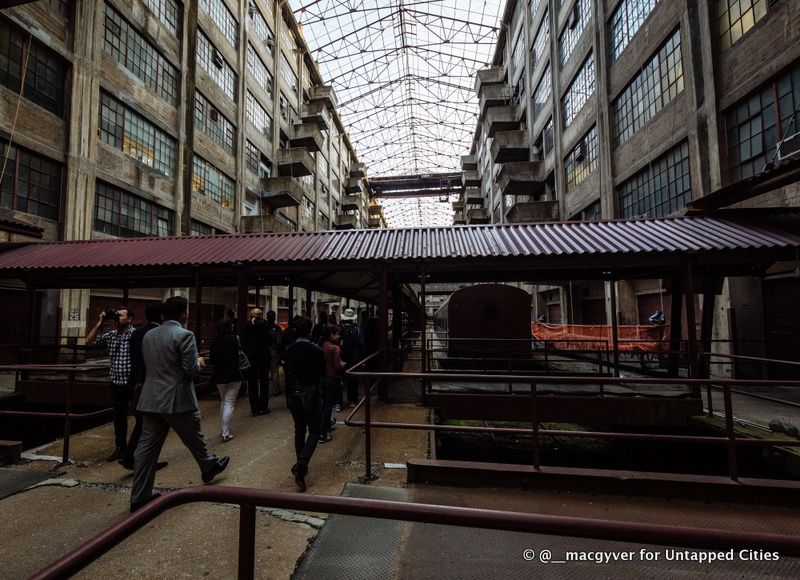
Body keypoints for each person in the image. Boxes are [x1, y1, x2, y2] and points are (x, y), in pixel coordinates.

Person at [130, 296, 229, 512]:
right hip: (176, 398)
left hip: (151, 398)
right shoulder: (184, 335)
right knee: (193, 434)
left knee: (146, 448)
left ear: (164, 314)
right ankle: (208, 465)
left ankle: (139, 496)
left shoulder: (149, 335)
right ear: (184, 314)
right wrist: (199, 362)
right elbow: (190, 370)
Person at [119, 302, 166, 471]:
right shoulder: (157, 334)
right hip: (150, 382)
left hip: (134, 382)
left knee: (142, 422)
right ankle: (137, 459)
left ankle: (130, 456)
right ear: (161, 316)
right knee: (150, 425)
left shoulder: (136, 333)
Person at [85, 305, 135, 462]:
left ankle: (136, 450)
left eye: (121, 315)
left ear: (130, 319)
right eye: (117, 315)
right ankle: (120, 447)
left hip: (132, 382)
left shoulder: (136, 335)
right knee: (119, 417)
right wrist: (100, 323)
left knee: (141, 417)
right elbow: (88, 342)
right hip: (116, 382)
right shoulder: (112, 335)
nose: (117, 317)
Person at [282, 317, 325, 492]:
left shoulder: (288, 350)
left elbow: (287, 373)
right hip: (311, 393)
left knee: (299, 429)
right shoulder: (317, 351)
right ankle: (301, 464)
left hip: (294, 393)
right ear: (309, 330)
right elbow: (321, 372)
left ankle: (301, 466)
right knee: (315, 430)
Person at [210, 316, 242, 442]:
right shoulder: (234, 340)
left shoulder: (214, 342)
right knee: (229, 403)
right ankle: (225, 431)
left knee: (224, 401)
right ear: (230, 327)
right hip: (233, 374)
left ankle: (224, 428)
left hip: (219, 375)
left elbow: (212, 360)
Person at [240, 308, 272, 416]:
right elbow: (269, 340)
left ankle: (254, 409)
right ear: (261, 315)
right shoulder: (265, 326)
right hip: (263, 357)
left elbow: (242, 342)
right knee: (264, 383)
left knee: (252, 383)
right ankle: (263, 407)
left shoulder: (246, 327)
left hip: (251, 358)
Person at [319, 324, 344, 443]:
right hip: (332, 378)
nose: (339, 336)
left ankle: (323, 426)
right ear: (331, 335)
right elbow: (337, 366)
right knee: (328, 406)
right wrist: (342, 365)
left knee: (323, 404)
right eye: (337, 334)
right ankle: (324, 432)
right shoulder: (335, 348)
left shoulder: (321, 345)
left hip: (321, 378)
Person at [339, 307, 365, 409]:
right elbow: (361, 344)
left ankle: (338, 402)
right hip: (354, 357)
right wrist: (362, 358)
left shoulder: (339, 327)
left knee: (338, 379)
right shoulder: (357, 329)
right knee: (352, 379)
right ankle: (352, 400)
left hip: (340, 356)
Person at [265, 310, 284, 396]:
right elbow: (279, 342)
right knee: (275, 372)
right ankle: (276, 390)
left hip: (265, 353)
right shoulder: (277, 329)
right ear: (274, 317)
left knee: (265, 371)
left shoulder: (263, 328)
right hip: (274, 353)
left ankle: (264, 390)